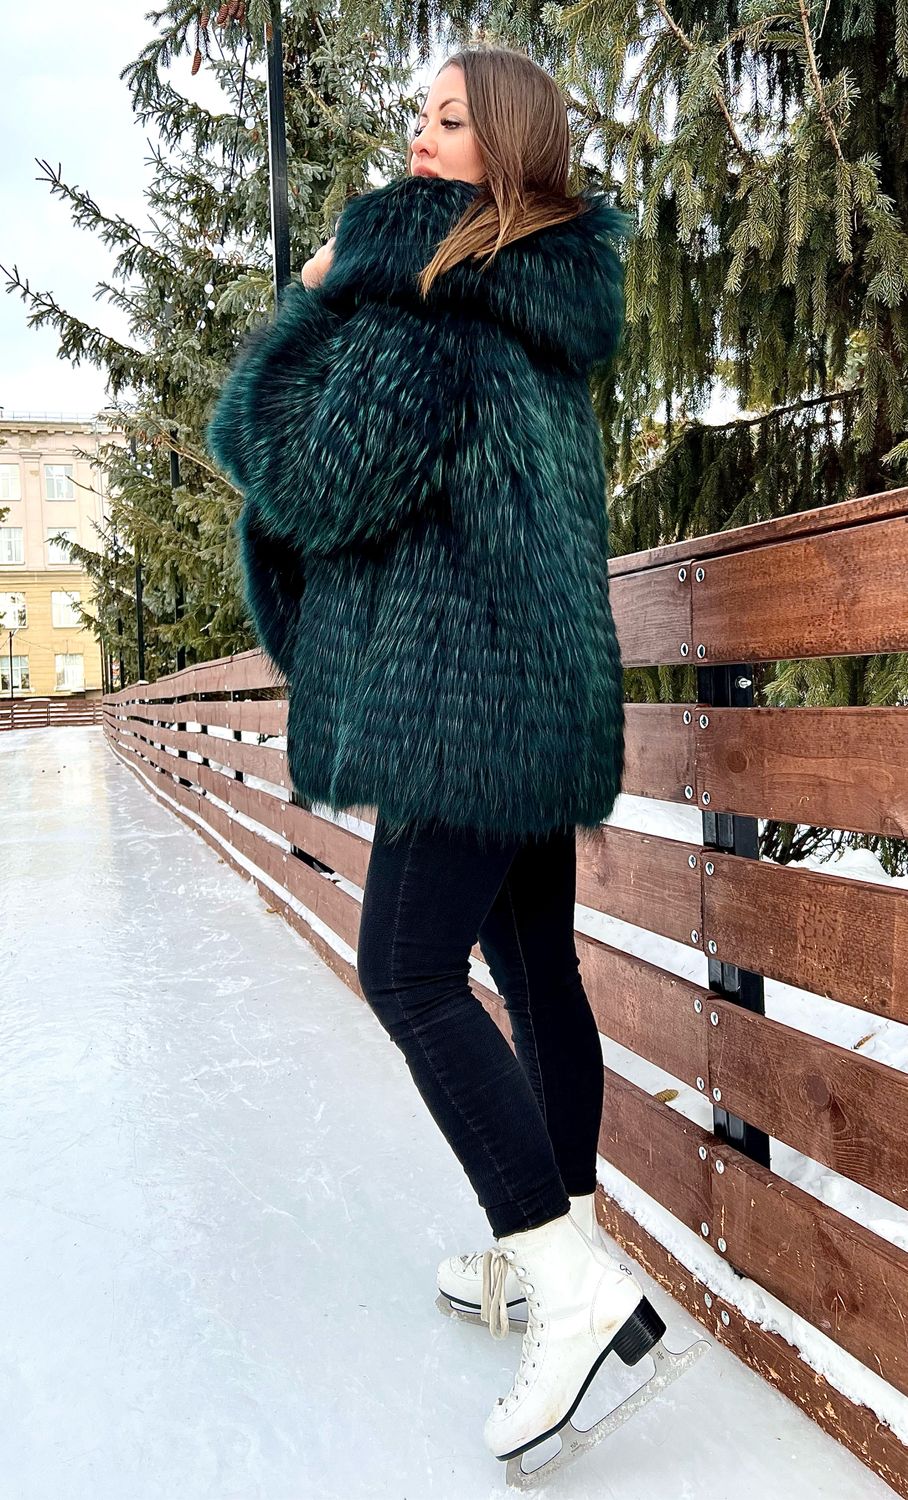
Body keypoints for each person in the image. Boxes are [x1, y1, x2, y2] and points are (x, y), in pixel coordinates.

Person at [206, 41, 686, 1481]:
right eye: (420, 114)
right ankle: (560, 1247)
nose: (422, 137)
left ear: (508, 150)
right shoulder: (533, 302)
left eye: (451, 119)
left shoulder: (434, 303)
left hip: (460, 702)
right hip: (536, 692)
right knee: (537, 978)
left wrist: (310, 299)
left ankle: (567, 1285)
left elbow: (305, 473)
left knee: (409, 972)